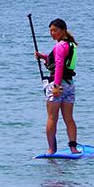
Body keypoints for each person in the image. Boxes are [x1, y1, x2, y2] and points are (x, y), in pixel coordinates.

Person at [34, 19, 79, 154]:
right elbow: (60, 61)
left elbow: (59, 66)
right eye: (50, 31)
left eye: (55, 30)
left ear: (63, 30)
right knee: (69, 118)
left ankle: (51, 149)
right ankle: (73, 148)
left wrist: (56, 86)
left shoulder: (60, 46)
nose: (52, 33)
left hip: (57, 85)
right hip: (70, 85)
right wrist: (44, 57)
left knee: (52, 118)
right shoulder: (71, 44)